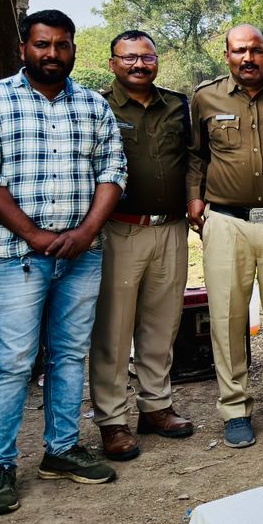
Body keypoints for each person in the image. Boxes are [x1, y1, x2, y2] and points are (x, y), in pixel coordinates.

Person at [0, 9, 127, 515]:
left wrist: (87, 232)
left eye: (63, 45)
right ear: (23, 49)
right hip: (13, 258)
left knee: (69, 355)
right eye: (43, 45)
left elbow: (112, 168)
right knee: (12, 363)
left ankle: (63, 450)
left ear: (74, 49)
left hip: (81, 255)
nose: (53, 54)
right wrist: (35, 235)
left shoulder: (92, 105)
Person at [188, 24, 263, 449]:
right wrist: (193, 198)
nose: (249, 58)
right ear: (227, 55)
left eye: (256, 50)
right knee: (227, 315)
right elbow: (195, 156)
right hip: (226, 221)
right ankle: (235, 407)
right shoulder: (206, 98)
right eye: (240, 51)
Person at [91, 30, 194, 463]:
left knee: (161, 324)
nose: (139, 65)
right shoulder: (97, 105)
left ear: (157, 61)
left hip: (171, 228)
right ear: (112, 62)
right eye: (129, 58)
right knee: (114, 330)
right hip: (120, 230)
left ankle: (156, 406)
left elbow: (192, 159)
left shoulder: (177, 105)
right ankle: (112, 420)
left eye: (147, 57)